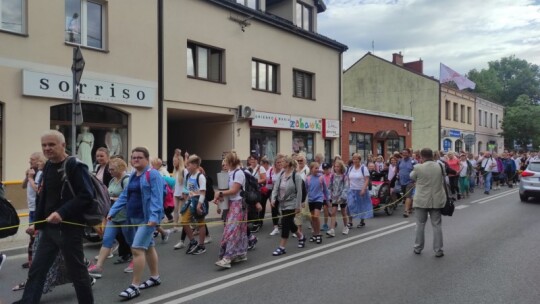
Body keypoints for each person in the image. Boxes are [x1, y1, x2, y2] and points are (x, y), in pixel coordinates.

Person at [14, 130, 94, 304]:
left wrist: (61, 212)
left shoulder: (75, 165)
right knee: (37, 268)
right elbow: (43, 197)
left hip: (69, 228)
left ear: (63, 145)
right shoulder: (49, 165)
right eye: (44, 145)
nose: (47, 148)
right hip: (49, 229)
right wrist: (37, 224)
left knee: (77, 272)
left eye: (51, 144)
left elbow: (86, 195)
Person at [107, 147, 164, 300]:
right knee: (149, 246)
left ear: (146, 159)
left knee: (137, 249)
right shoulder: (132, 175)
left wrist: (154, 217)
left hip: (147, 219)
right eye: (133, 157)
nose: (136, 160)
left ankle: (135, 286)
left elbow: (157, 197)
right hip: (133, 218)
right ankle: (155, 277)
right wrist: (112, 212)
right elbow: (124, 196)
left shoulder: (153, 174)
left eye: (139, 157)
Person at [88, 158, 131, 278]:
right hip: (113, 217)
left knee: (131, 241)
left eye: (112, 169)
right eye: (109, 169)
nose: (109, 171)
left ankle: (135, 261)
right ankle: (98, 267)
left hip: (125, 216)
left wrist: (113, 199)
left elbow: (129, 197)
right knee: (107, 239)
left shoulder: (126, 180)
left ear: (120, 168)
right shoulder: (112, 180)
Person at [213, 151, 248, 268]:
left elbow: (234, 190)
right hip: (232, 204)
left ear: (231, 161)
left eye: (226, 161)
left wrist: (220, 193)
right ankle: (239, 254)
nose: (224, 163)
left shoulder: (239, 173)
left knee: (232, 230)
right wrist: (219, 198)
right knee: (235, 230)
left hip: (238, 204)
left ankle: (227, 257)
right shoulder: (230, 172)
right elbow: (227, 190)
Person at [410, 148, 446, 258]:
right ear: (432, 155)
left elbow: (411, 177)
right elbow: (444, 177)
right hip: (436, 199)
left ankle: (418, 247)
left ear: (421, 156)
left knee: (420, 225)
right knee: (436, 225)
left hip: (421, 200)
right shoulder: (440, 166)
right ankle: (438, 250)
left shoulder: (418, 167)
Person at [270, 155, 305, 256]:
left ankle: (282, 247)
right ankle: (301, 237)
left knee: (285, 223)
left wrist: (298, 206)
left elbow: (299, 192)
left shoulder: (296, 176)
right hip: (282, 204)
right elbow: (275, 188)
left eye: (283, 161)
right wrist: (273, 199)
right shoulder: (281, 174)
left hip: (292, 203)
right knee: (290, 223)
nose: (281, 163)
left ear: (288, 163)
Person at [180, 154, 208, 255]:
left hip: (198, 201)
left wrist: (199, 205)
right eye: (187, 165)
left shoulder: (200, 177)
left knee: (201, 223)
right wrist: (185, 195)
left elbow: (203, 192)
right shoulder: (189, 175)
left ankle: (201, 246)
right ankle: (193, 241)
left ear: (195, 165)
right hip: (190, 201)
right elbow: (188, 189)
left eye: (189, 165)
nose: (187, 167)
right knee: (184, 221)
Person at [22, 152, 46, 269]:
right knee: (32, 236)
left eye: (32, 159)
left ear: (38, 161)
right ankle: (31, 260)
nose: (29, 161)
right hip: (31, 208)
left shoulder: (40, 173)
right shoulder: (31, 171)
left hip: (37, 209)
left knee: (35, 236)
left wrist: (31, 178)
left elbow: (38, 189)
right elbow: (23, 186)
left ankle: (35, 261)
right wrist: (27, 177)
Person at [306, 162, 329, 244]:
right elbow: (305, 190)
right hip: (311, 200)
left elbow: (326, 190)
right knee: (313, 218)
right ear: (311, 169)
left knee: (316, 216)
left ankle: (318, 234)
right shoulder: (308, 178)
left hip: (319, 199)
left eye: (318, 168)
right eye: (315, 168)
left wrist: (327, 200)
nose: (317, 169)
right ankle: (315, 234)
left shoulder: (321, 178)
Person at [347, 153, 373, 227]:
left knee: (361, 206)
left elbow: (367, 179)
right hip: (352, 189)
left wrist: (363, 189)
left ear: (359, 160)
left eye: (356, 159)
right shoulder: (350, 168)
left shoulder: (363, 168)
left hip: (360, 189)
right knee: (350, 205)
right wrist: (348, 187)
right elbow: (348, 179)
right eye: (353, 159)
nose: (355, 160)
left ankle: (362, 221)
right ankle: (350, 222)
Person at [328, 160, 349, 236]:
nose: (336, 168)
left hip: (342, 197)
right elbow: (330, 186)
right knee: (333, 213)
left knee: (343, 212)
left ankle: (346, 226)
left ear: (341, 167)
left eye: (338, 166)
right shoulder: (333, 176)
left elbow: (346, 187)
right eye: (335, 166)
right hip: (334, 197)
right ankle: (332, 229)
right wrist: (329, 194)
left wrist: (342, 196)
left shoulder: (344, 177)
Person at [268, 154, 285, 236]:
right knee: (274, 210)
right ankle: (275, 228)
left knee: (285, 211)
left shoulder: (284, 171)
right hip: (274, 192)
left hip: (284, 193)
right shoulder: (272, 171)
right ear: (275, 163)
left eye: (281, 162)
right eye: (278, 162)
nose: (280, 164)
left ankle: (290, 227)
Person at [397, 149, 416, 217]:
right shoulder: (400, 161)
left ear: (409, 153)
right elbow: (397, 169)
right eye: (403, 153)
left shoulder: (413, 161)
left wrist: (416, 181)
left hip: (410, 181)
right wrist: (398, 175)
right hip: (402, 181)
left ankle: (406, 211)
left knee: (408, 196)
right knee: (406, 196)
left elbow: (417, 170)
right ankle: (410, 207)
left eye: (406, 153)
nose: (404, 154)